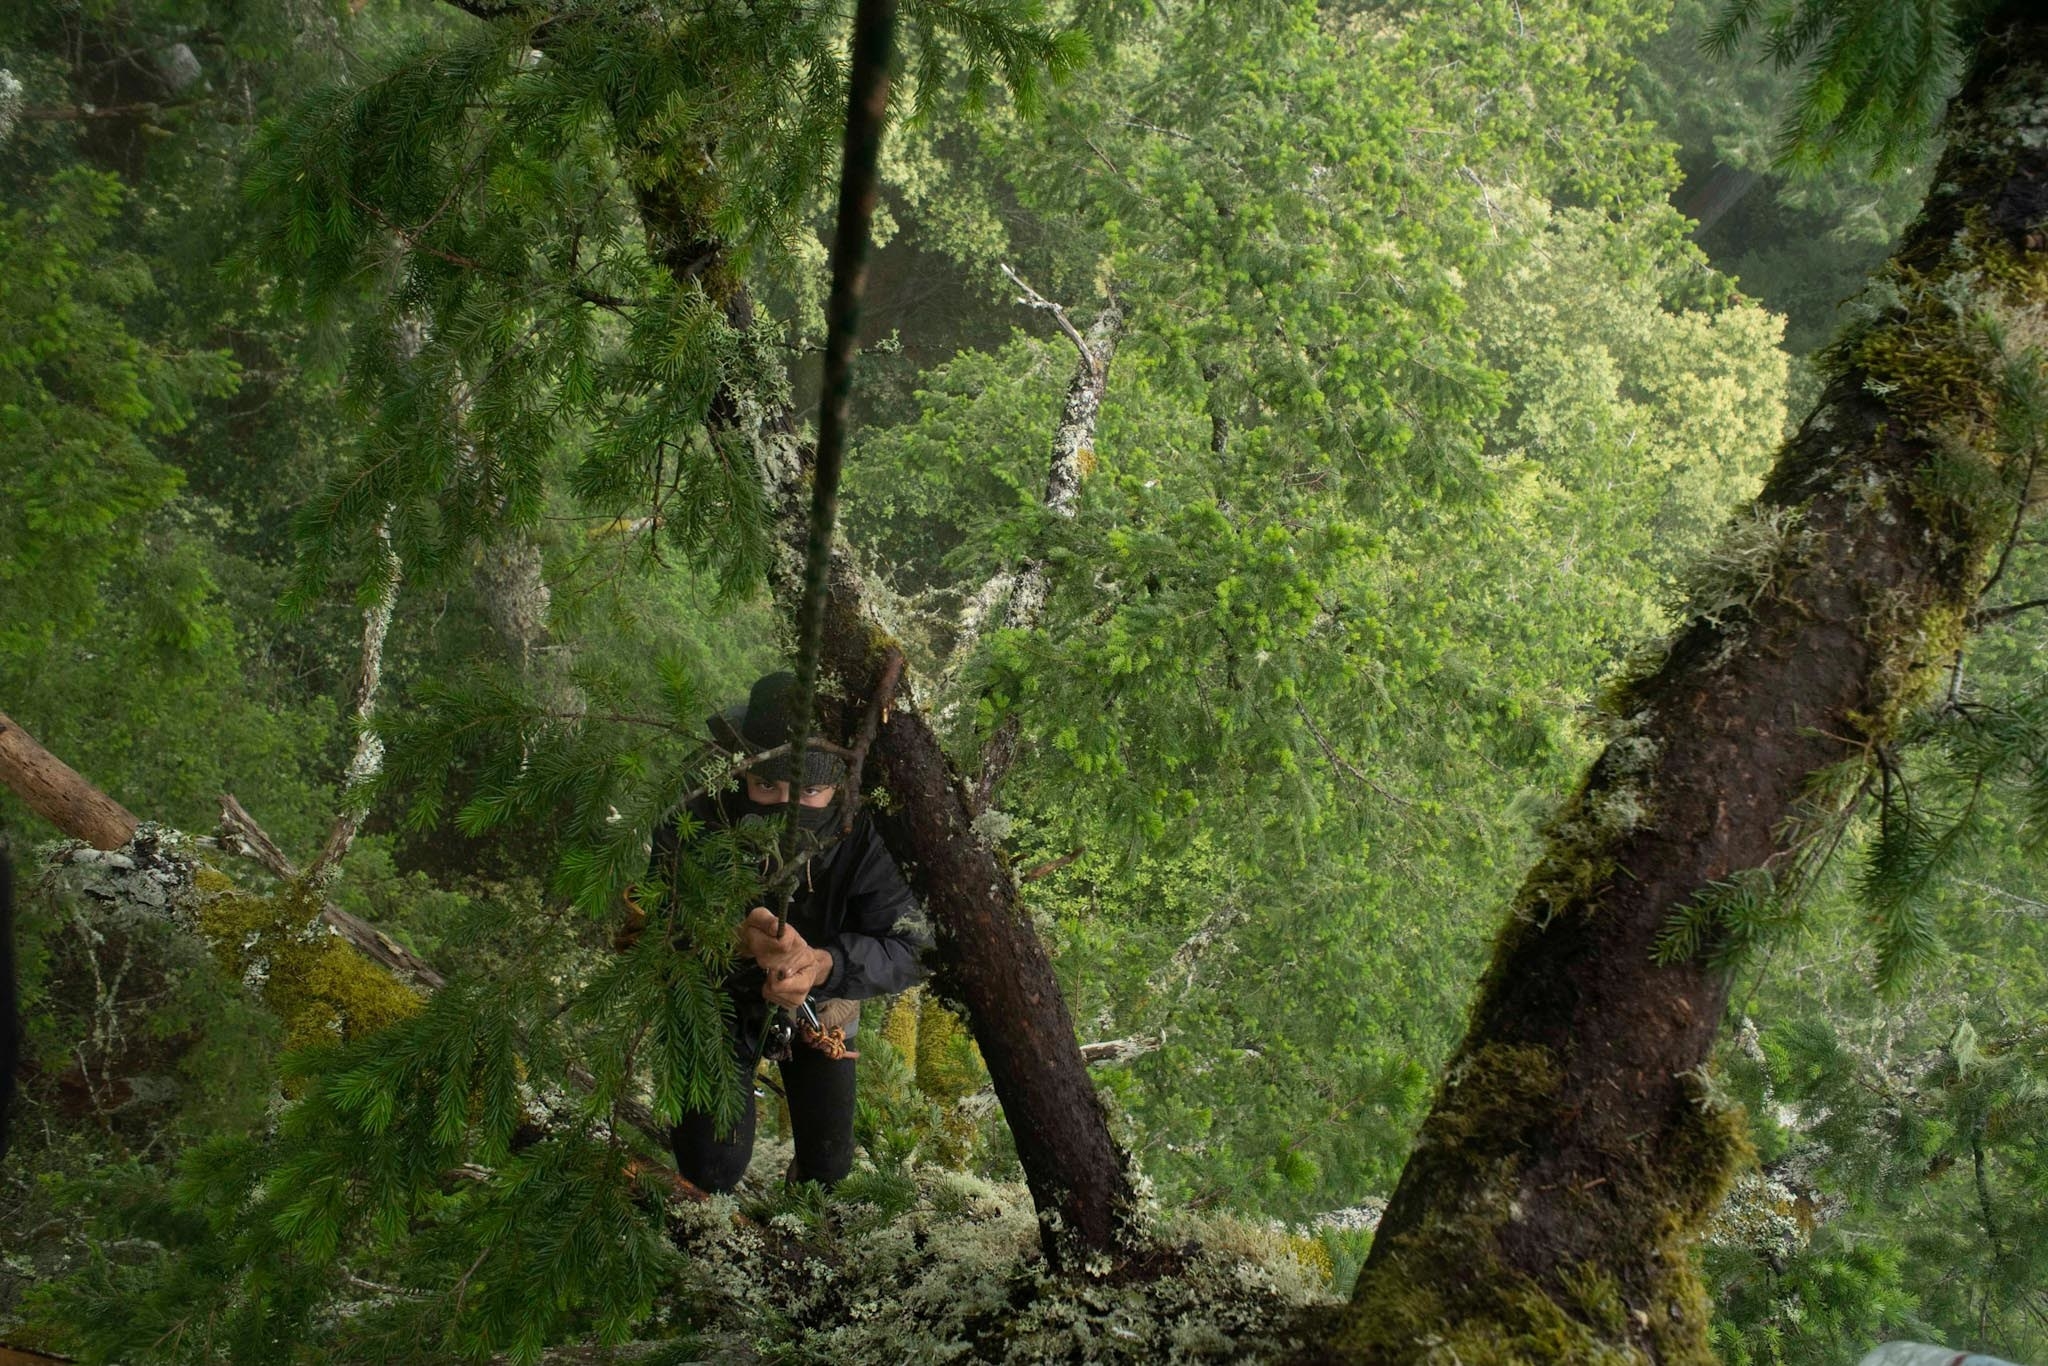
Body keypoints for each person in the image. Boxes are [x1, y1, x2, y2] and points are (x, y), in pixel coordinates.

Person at [636, 671, 926, 1193]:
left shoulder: (868, 828)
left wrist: (824, 965)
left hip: (826, 1000)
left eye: (811, 790)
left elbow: (911, 947)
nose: (786, 813)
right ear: (740, 767)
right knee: (709, 1167)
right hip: (710, 994)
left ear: (840, 780)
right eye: (766, 785)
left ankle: (804, 1234)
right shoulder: (701, 799)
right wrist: (732, 935)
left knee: (830, 1167)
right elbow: (660, 915)